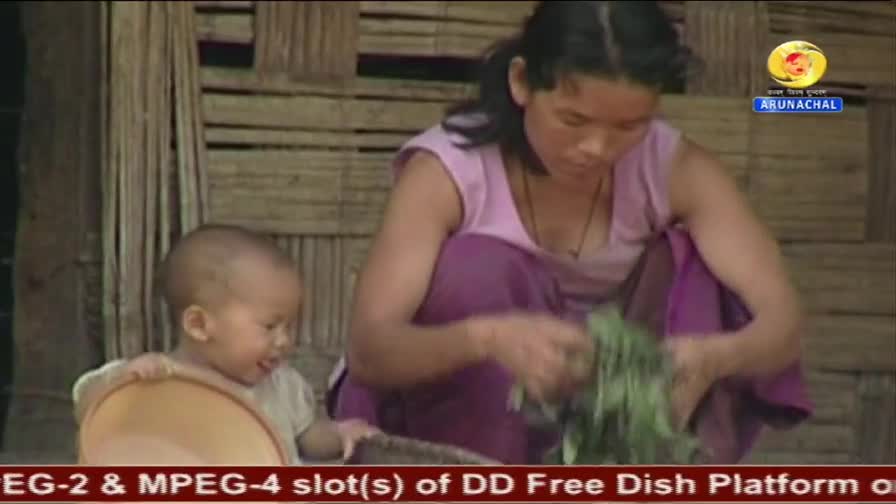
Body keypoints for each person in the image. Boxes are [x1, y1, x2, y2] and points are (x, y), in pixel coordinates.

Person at [329, 1, 811, 464]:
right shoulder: (449, 173)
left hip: (601, 413)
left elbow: (781, 324)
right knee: (476, 268)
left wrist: (712, 358)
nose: (597, 148)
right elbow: (371, 350)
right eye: (572, 120)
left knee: (697, 270)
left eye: (630, 125)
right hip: (458, 415)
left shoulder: (674, 168)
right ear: (522, 83)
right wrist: (486, 339)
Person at [72, 224, 379, 465]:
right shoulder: (159, 380)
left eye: (290, 326)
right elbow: (90, 406)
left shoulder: (282, 386)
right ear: (199, 325)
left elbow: (307, 438)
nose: (284, 341)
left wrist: (339, 435)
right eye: (270, 326)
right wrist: (126, 381)